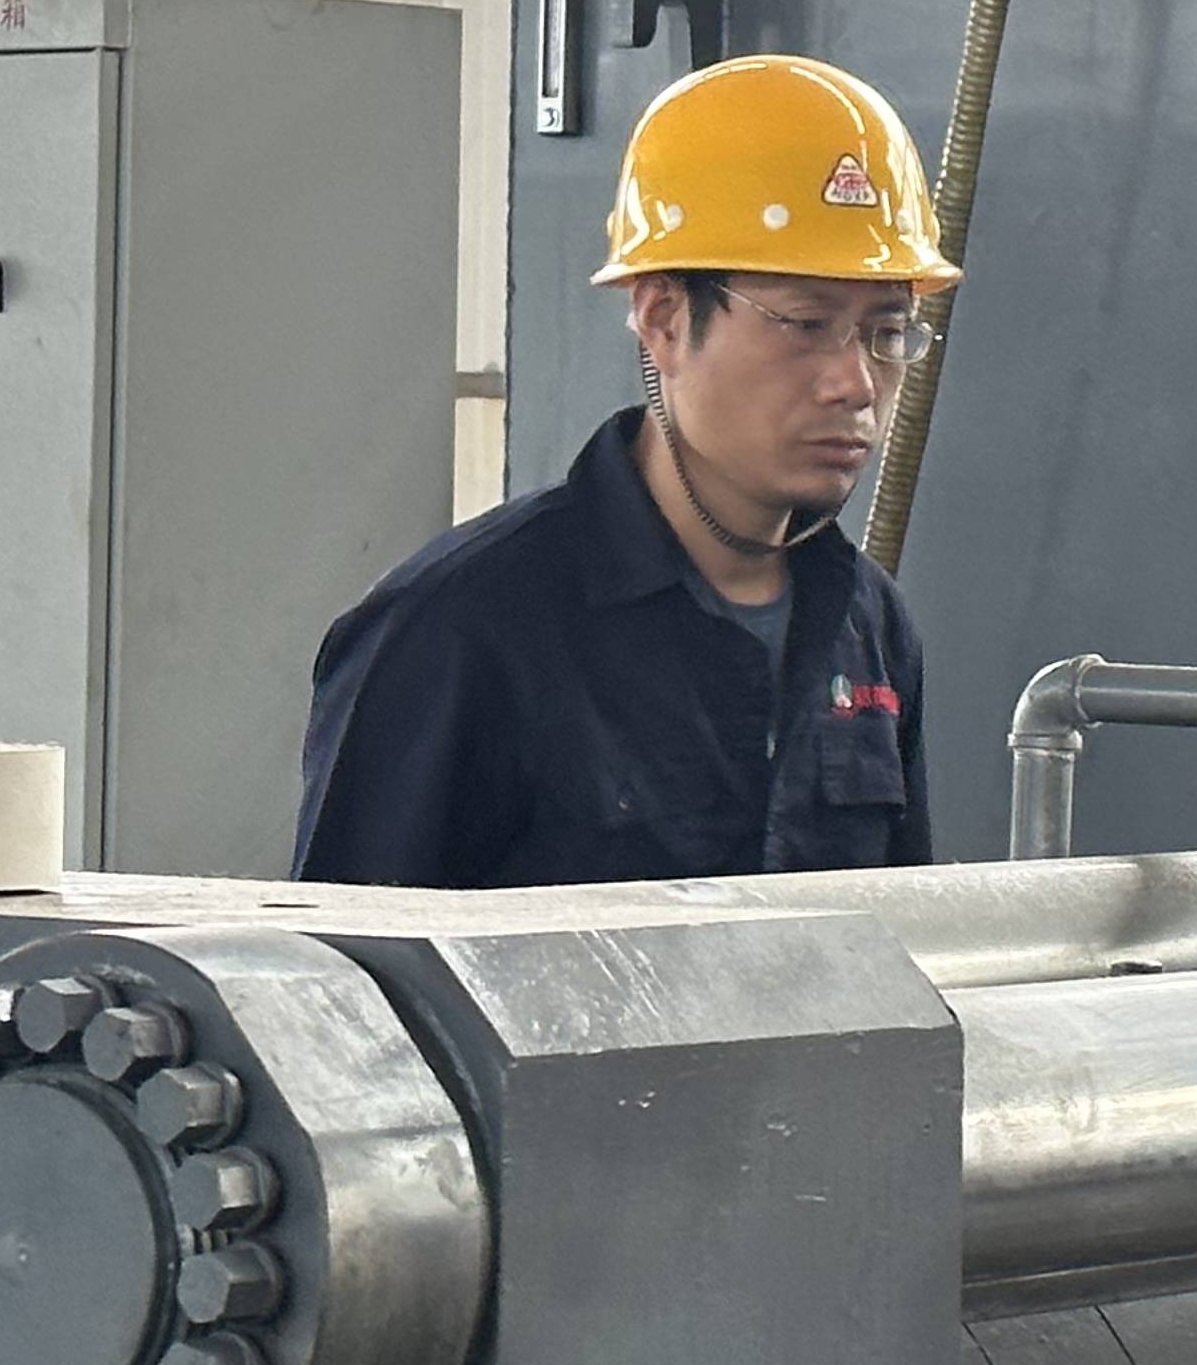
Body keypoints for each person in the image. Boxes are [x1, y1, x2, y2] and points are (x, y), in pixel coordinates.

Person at [294, 54, 954, 887]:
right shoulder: (460, 629)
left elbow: (897, 935)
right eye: (805, 323)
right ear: (665, 319)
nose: (855, 383)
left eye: (887, 333)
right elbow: (347, 955)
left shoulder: (869, 626)